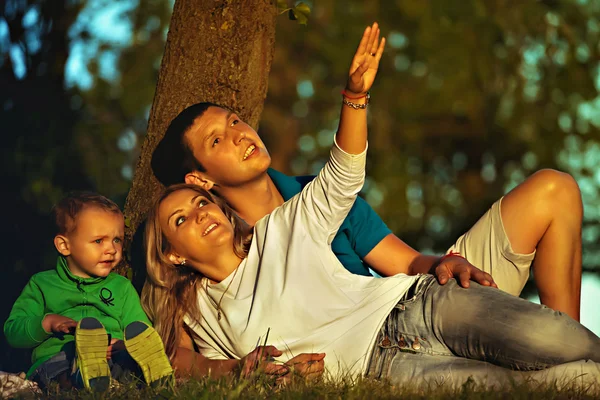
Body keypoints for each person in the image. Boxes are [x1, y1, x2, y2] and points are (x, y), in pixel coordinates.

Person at [143, 23, 600, 388]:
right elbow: (173, 352)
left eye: (237, 121)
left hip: (412, 295)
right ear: (200, 179)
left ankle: (558, 339)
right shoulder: (203, 284)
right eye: (219, 139)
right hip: (379, 356)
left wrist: (444, 263)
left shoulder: (306, 203)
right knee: (550, 381)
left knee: (553, 316)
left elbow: (400, 256)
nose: (242, 135)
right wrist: (235, 368)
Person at [4, 192, 173, 391]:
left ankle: (154, 376)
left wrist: (121, 344)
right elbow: (13, 332)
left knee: (128, 365)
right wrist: (47, 322)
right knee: (60, 374)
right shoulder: (42, 284)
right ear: (64, 245)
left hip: (112, 355)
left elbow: (138, 327)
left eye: (117, 240)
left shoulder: (121, 287)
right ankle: (83, 379)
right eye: (99, 241)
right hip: (60, 355)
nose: (111, 249)